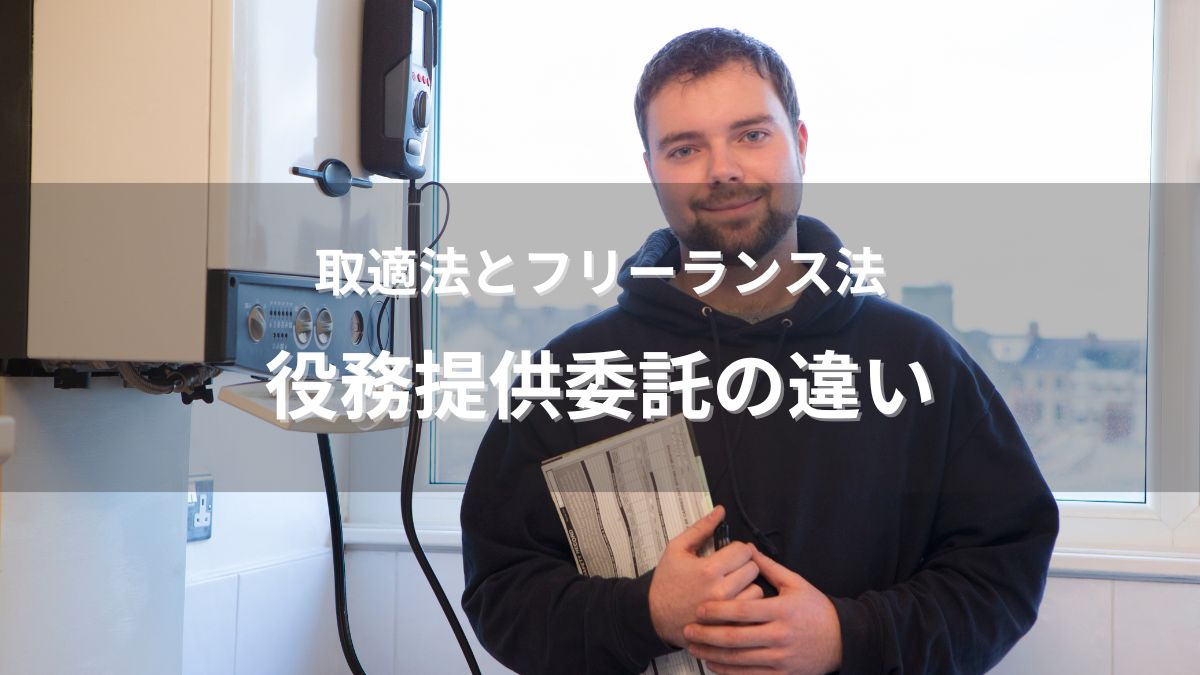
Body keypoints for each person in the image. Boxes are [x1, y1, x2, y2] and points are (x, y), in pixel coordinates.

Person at [460, 27, 1058, 675]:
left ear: (799, 143)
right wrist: (646, 611)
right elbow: (502, 593)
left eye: (751, 135)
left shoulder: (919, 361)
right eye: (685, 148)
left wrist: (850, 635)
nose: (723, 169)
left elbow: (1000, 572)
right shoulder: (572, 375)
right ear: (652, 169)